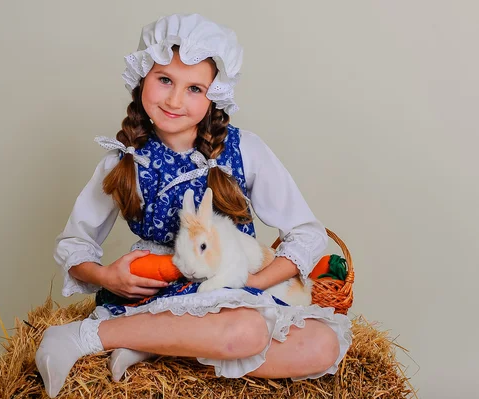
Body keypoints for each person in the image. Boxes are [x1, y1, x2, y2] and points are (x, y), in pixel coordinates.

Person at [35, 13, 352, 398]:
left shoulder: (244, 149)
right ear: (142, 78)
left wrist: (252, 282)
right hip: (160, 292)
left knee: (322, 346)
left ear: (214, 95)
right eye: (165, 80)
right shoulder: (125, 161)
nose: (174, 100)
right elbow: (75, 243)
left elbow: (305, 232)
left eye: (194, 89)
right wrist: (108, 278)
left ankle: (153, 345)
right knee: (248, 330)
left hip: (231, 287)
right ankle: (84, 336)